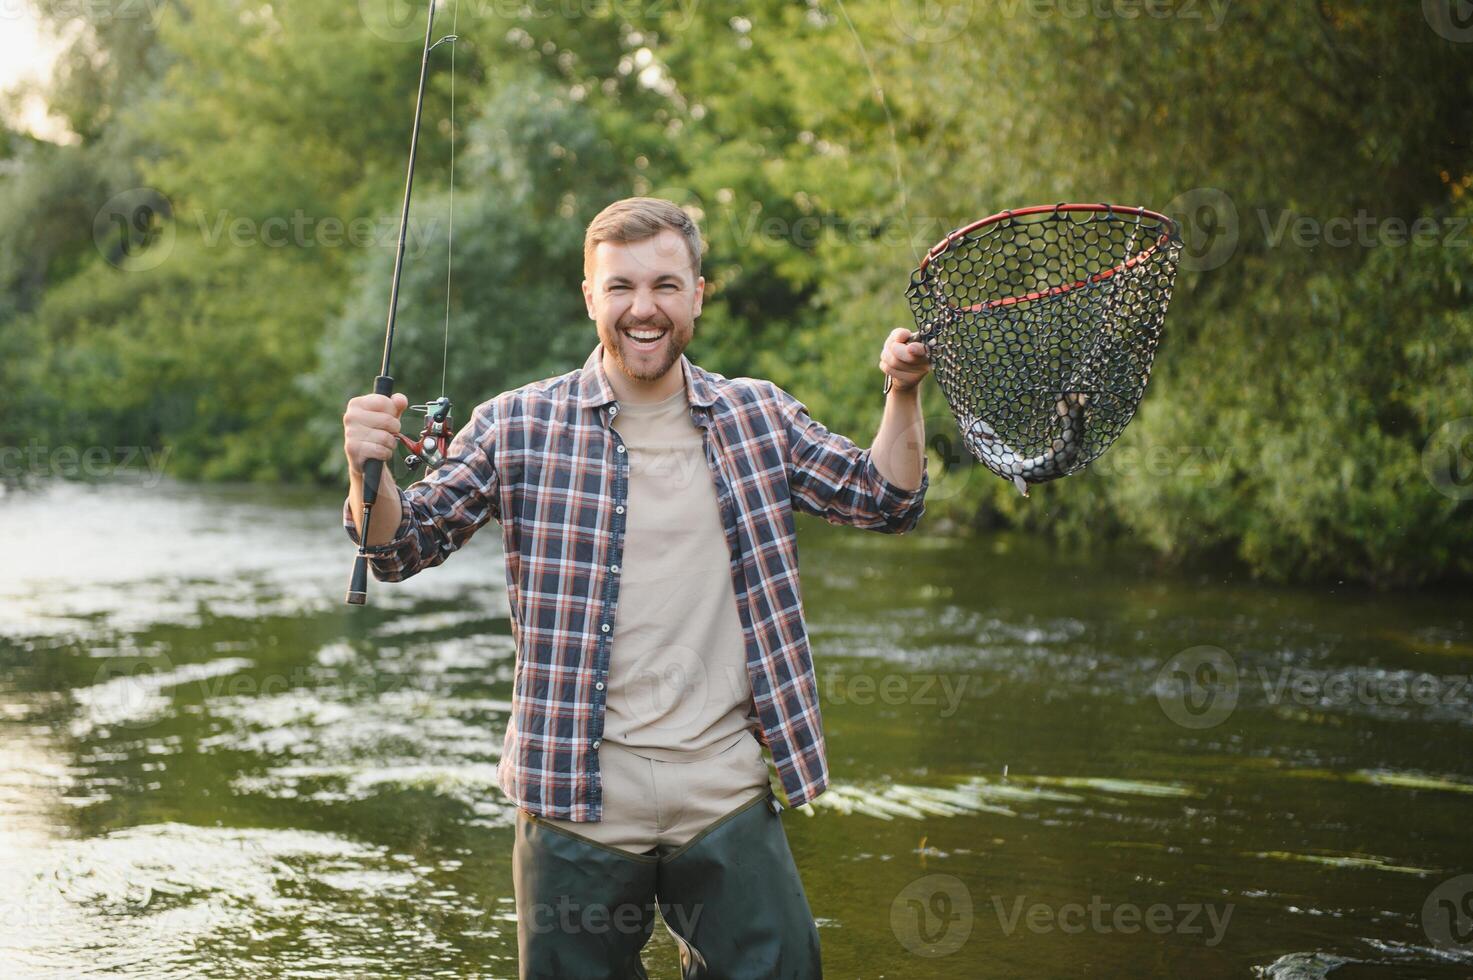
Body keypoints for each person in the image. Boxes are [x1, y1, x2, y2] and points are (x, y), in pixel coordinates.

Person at [343, 197, 932, 979]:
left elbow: (885, 501)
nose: (642, 308)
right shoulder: (517, 423)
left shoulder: (759, 414)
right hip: (573, 798)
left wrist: (901, 392)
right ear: (590, 296)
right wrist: (366, 470)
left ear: (696, 294)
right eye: (619, 287)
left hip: (722, 788)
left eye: (664, 284)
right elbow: (399, 546)